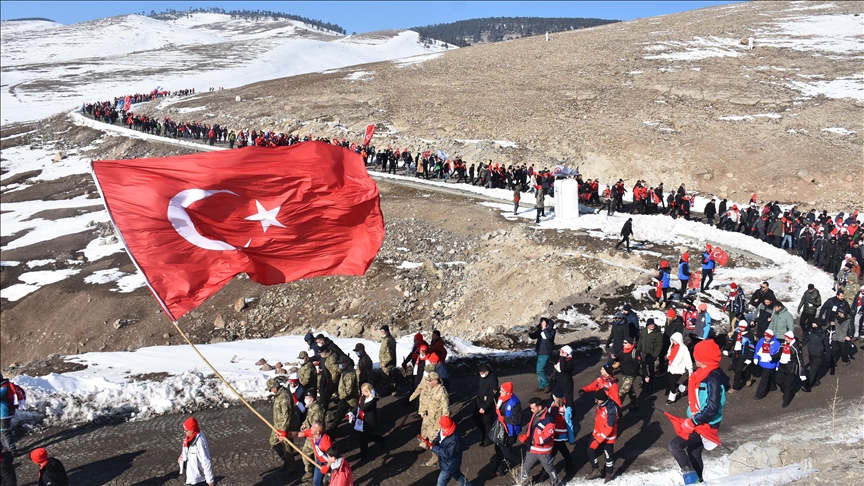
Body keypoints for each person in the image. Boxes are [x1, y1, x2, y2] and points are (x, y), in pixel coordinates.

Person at [667, 340, 728, 485]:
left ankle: (691, 479)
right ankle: (699, 481)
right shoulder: (703, 373)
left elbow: (712, 407)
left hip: (705, 424)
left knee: (674, 445)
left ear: (703, 358)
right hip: (700, 420)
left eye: (697, 357)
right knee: (694, 452)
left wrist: (693, 421)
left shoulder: (712, 378)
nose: (695, 359)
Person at [518, 397, 560, 486]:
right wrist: (527, 437)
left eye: (533, 408)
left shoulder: (549, 421)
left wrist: (533, 440)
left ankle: (556, 483)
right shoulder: (535, 414)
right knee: (525, 468)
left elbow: (548, 437)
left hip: (543, 451)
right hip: (533, 449)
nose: (531, 410)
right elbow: (532, 427)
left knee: (549, 469)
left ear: (539, 407)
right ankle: (518, 482)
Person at [416, 371, 451, 467]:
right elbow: (428, 401)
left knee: (435, 440)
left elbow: (446, 409)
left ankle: (436, 458)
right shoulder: (432, 389)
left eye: (430, 381)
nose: (428, 383)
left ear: (436, 381)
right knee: (430, 437)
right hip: (430, 418)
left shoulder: (442, 393)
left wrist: (444, 424)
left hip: (437, 421)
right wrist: (423, 411)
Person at [428, 416, 473, 486]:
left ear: (446, 427)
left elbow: (449, 453)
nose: (440, 428)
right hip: (450, 463)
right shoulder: (443, 431)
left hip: (449, 465)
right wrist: (435, 442)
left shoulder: (454, 439)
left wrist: (434, 448)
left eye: (442, 427)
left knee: (441, 481)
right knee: (458, 475)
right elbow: (439, 437)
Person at [489, 381, 521, 478]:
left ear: (508, 392)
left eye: (502, 390)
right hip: (501, 429)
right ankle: (499, 470)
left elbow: (517, 420)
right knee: (498, 449)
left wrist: (504, 419)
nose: (500, 392)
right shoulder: (501, 399)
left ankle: (522, 461)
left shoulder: (514, 403)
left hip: (509, 432)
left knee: (507, 452)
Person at [284, 421, 332, 486]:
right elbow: (298, 434)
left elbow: (333, 457)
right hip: (319, 461)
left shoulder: (326, 441)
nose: (311, 427)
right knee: (316, 481)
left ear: (318, 432)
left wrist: (327, 467)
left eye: (313, 427)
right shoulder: (311, 433)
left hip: (330, 463)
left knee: (332, 480)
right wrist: (286, 434)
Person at [586, 390, 619, 482]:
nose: (596, 402)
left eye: (597, 400)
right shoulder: (600, 405)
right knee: (590, 450)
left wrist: (598, 441)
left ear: (603, 399)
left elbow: (609, 427)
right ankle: (595, 470)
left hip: (608, 437)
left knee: (608, 455)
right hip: (597, 433)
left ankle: (609, 473)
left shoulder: (611, 409)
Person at [268, 376, 298, 473]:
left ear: (275, 387)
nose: (270, 391)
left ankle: (291, 468)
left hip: (285, 427)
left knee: (287, 447)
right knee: (273, 442)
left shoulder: (284, 397)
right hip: (278, 426)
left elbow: (286, 416)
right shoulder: (279, 394)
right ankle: (286, 460)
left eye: (270, 389)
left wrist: (283, 432)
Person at [352, 383, 387, 458]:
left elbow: (363, 407)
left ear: (367, 391)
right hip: (364, 421)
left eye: (363, 391)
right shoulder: (364, 397)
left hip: (369, 422)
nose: (362, 393)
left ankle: (364, 453)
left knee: (364, 437)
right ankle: (381, 440)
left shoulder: (372, 400)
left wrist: (361, 400)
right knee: (366, 436)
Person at [548, 386, 577, 474]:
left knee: (552, 453)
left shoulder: (566, 408)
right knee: (563, 449)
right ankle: (570, 462)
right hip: (554, 434)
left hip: (560, 435)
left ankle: (546, 469)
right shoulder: (553, 405)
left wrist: (571, 438)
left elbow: (569, 424)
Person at [178, 417, 215, 486]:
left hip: (196, 479)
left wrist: (210, 481)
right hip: (191, 476)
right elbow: (187, 450)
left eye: (186, 430)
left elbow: (205, 461)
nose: (184, 432)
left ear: (191, 430)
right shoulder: (190, 438)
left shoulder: (199, 442)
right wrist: (182, 457)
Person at [300, 391, 325, 483]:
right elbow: (308, 419)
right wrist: (304, 424)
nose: (305, 399)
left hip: (316, 437)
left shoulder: (316, 410)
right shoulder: (311, 407)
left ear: (312, 399)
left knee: (318, 458)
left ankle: (323, 476)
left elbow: (316, 426)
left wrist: (307, 431)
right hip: (310, 436)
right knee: (305, 453)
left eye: (307, 397)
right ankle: (309, 472)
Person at [724, 320, 756, 393]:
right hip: (735, 352)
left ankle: (735, 387)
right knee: (735, 369)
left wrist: (749, 358)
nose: (741, 329)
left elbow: (751, 347)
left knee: (738, 370)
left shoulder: (749, 335)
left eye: (743, 327)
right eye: (740, 327)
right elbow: (731, 341)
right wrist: (726, 349)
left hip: (743, 354)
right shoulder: (736, 333)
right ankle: (747, 376)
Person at [776, 331, 805, 408]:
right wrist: (771, 357)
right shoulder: (783, 344)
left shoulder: (796, 347)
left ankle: (785, 401)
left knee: (787, 385)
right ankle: (786, 391)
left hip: (791, 368)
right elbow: (779, 353)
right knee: (778, 380)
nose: (785, 338)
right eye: (785, 337)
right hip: (782, 366)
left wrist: (802, 373)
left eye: (787, 337)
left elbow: (800, 360)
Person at [472, 363, 498, 447]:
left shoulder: (493, 379)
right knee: (475, 418)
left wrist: (484, 407)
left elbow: (492, 395)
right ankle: (484, 432)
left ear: (487, 371)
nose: (481, 375)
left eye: (482, 373)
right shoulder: (483, 377)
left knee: (487, 422)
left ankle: (488, 439)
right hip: (480, 402)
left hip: (488, 405)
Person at [529, 318, 556, 393]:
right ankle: (541, 385)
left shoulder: (552, 331)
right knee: (539, 370)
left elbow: (549, 337)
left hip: (546, 353)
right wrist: (530, 334)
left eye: (543, 323)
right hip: (539, 352)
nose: (541, 325)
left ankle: (547, 384)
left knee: (540, 370)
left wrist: (544, 328)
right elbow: (534, 336)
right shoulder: (540, 330)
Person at [331, 356, 359, 429]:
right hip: (345, 399)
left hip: (351, 400)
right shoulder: (345, 371)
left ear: (346, 364)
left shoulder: (350, 374)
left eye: (341, 363)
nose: (340, 365)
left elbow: (348, 390)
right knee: (339, 415)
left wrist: (340, 397)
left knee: (354, 416)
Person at [753, 329, 781, 400]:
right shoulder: (762, 340)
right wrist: (756, 357)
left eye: (768, 337)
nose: (766, 338)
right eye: (765, 336)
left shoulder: (776, 344)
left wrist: (778, 365)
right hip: (762, 362)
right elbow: (757, 349)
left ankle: (759, 394)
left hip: (770, 364)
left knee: (764, 378)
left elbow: (778, 356)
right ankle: (772, 386)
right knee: (769, 375)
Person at [665, 332, 693, 404]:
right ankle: (683, 388)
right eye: (673, 340)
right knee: (670, 382)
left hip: (679, 370)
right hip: (671, 368)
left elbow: (688, 360)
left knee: (673, 383)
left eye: (675, 340)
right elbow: (669, 353)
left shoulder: (684, 349)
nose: (674, 342)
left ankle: (671, 398)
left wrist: (690, 370)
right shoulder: (672, 346)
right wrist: (669, 357)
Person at [802, 321, 829, 392]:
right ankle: (816, 381)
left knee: (812, 371)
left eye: (815, 324)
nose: (813, 326)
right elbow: (805, 340)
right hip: (811, 354)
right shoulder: (810, 332)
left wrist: (828, 356)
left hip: (819, 355)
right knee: (814, 369)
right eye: (812, 324)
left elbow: (827, 345)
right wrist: (800, 347)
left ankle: (807, 386)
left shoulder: (823, 334)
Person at [636, 318, 663, 391]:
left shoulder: (657, 333)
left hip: (651, 354)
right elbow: (640, 341)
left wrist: (655, 355)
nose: (652, 326)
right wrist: (638, 350)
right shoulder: (644, 331)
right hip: (643, 353)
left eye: (653, 324)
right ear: (647, 325)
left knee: (651, 369)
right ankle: (644, 381)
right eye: (650, 324)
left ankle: (651, 384)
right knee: (643, 368)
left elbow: (659, 345)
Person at [617, 337, 640, 410]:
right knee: (630, 390)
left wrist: (645, 376)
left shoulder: (635, 352)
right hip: (624, 373)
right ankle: (635, 404)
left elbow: (642, 364)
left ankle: (616, 409)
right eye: (623, 343)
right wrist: (615, 358)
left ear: (630, 344)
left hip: (631, 374)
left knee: (622, 392)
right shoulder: (622, 351)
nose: (623, 344)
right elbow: (620, 359)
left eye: (625, 343)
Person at [0, 374, 18, 453]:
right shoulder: (4, 386)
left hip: (4, 414)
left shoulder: (4, 387)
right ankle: (7, 448)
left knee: (5, 432)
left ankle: (12, 450)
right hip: (4, 413)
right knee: (5, 431)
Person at [378, 325, 398, 395]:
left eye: (383, 331)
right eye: (381, 331)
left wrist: (385, 362)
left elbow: (390, 353)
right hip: (384, 362)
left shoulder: (390, 340)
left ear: (386, 331)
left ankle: (394, 388)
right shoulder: (385, 339)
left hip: (388, 363)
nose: (382, 333)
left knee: (387, 376)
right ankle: (389, 388)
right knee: (385, 376)